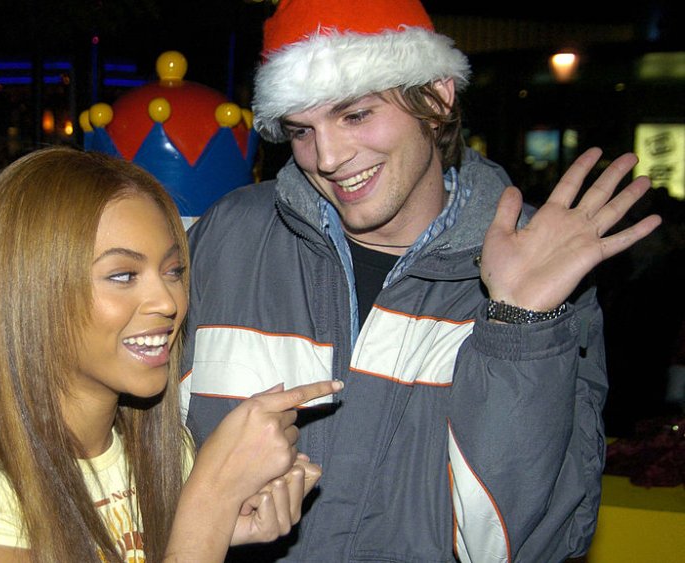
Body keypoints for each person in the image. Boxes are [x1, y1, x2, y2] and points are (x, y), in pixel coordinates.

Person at [180, 1, 662, 561]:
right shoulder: (231, 234)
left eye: (355, 114)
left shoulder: (543, 270)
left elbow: (524, 547)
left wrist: (522, 325)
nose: (329, 157)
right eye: (301, 130)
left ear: (435, 98)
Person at [0, 147, 342, 562]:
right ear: (32, 292)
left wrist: (221, 529)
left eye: (173, 270)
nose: (169, 302)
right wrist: (209, 506)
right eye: (123, 275)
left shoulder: (164, 452)